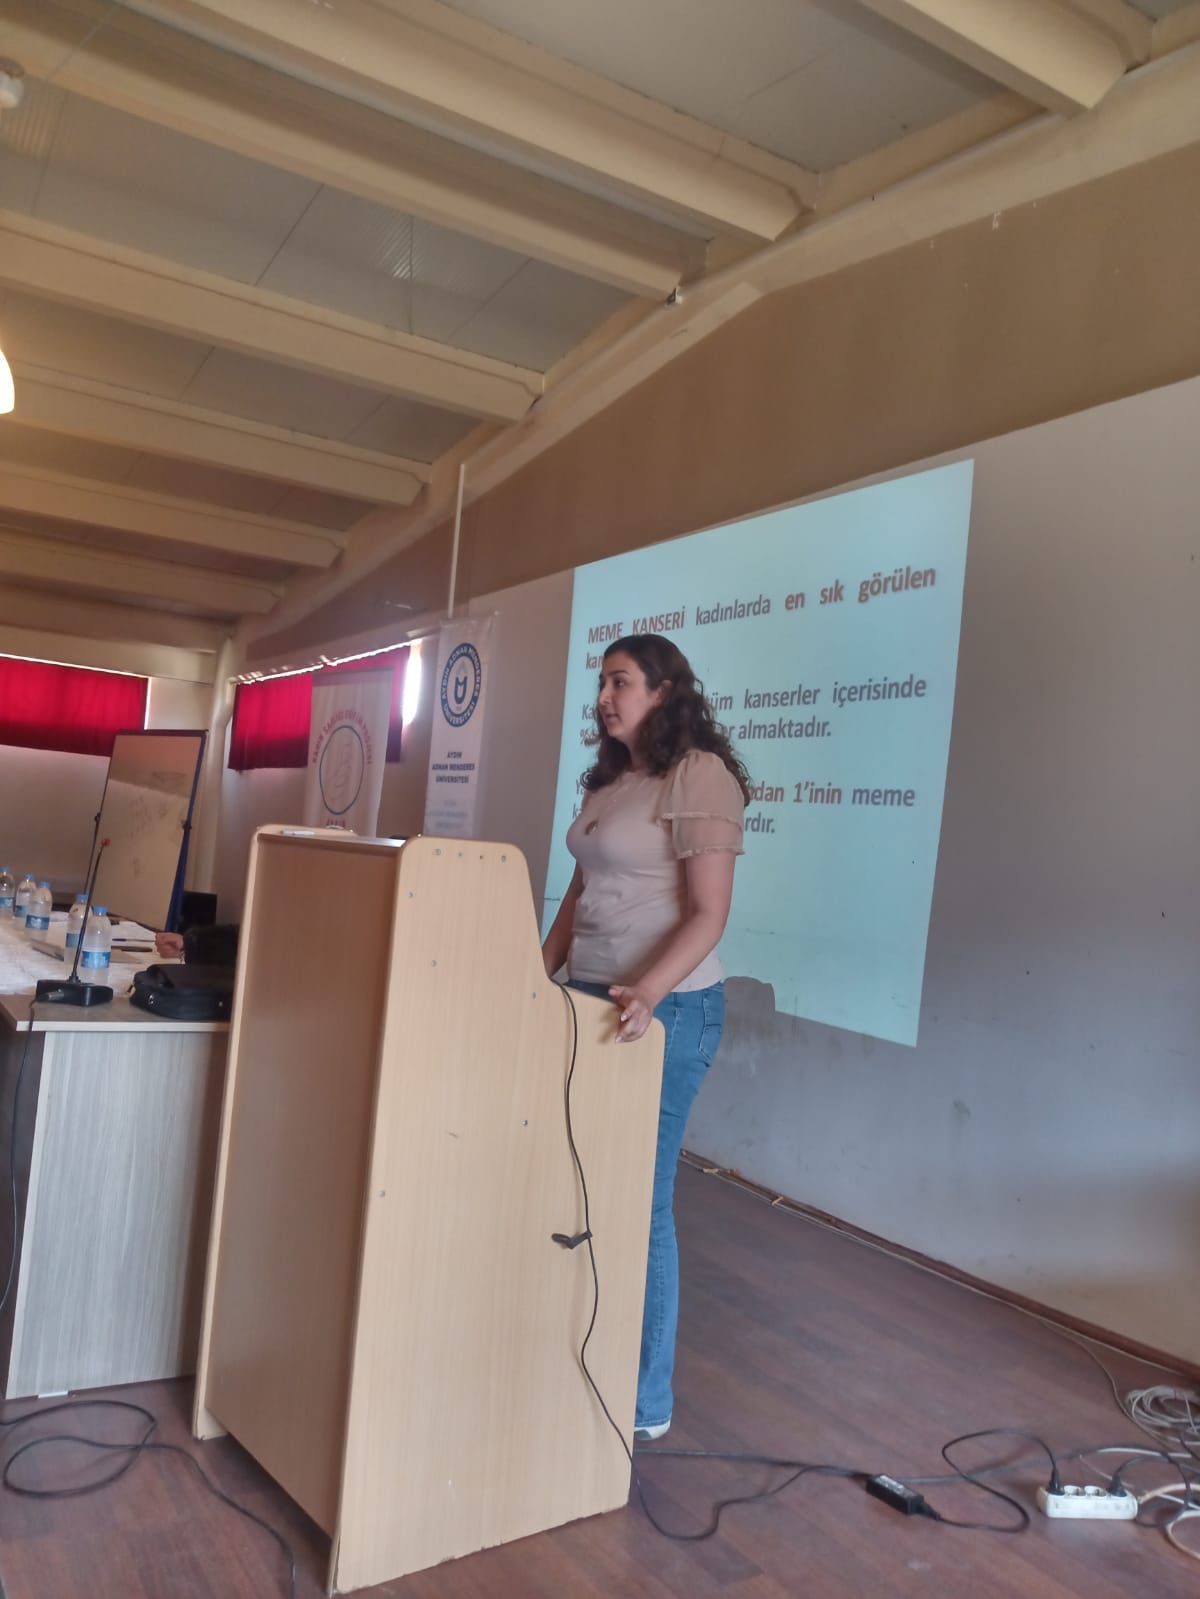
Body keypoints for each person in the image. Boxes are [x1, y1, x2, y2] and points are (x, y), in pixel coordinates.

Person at [542, 633, 749, 1442]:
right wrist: (537, 973)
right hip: (590, 1000)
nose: (605, 697)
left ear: (664, 692)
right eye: (603, 682)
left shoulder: (699, 775)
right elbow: (580, 893)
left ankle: (644, 1399)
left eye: (622, 682)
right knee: (575, 1181)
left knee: (639, 1197)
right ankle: (573, 1354)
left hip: (666, 1011)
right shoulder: (613, 779)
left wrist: (649, 992)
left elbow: (709, 913)